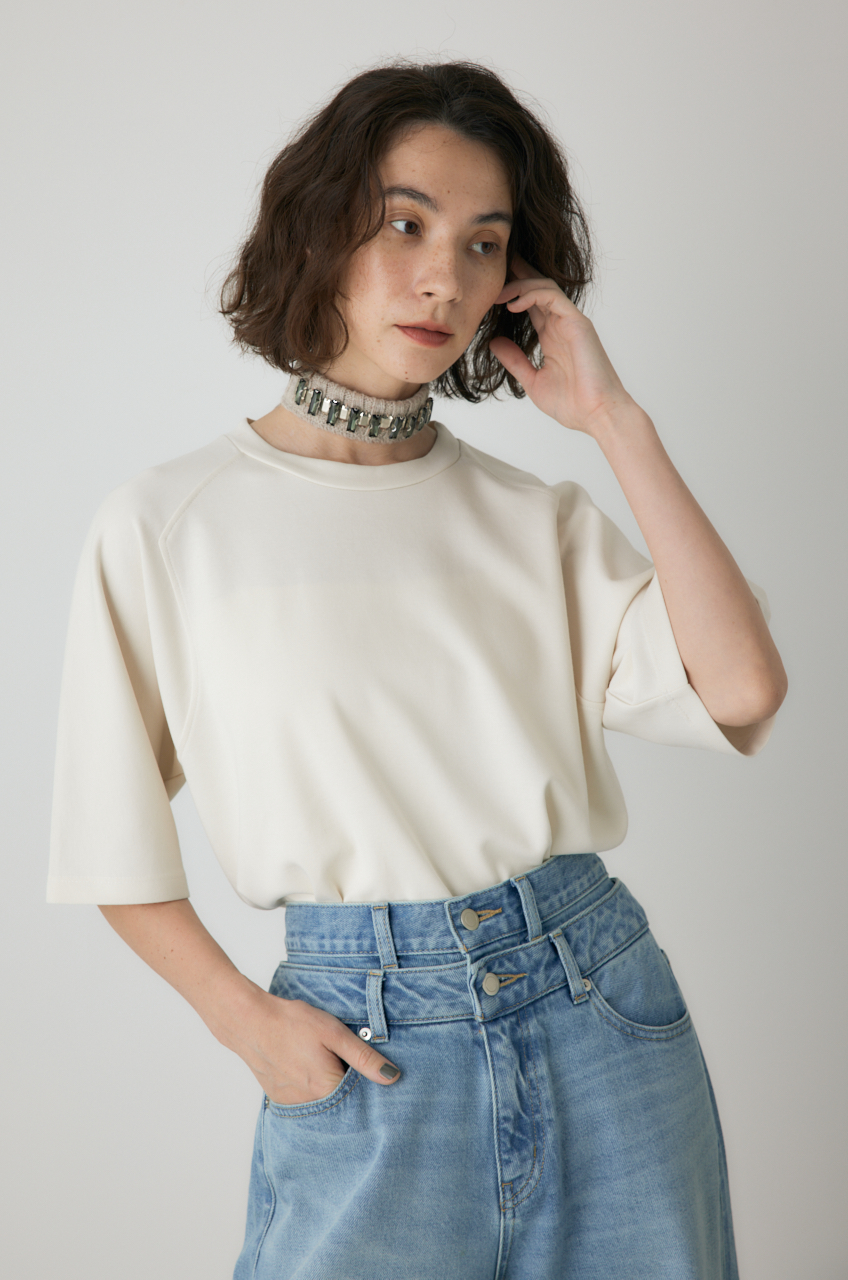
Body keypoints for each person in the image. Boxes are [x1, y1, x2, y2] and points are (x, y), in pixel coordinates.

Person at [47, 59, 787, 1280]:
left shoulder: (531, 518)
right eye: (405, 224)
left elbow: (742, 687)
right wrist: (243, 1019)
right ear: (318, 228)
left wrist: (615, 422)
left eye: (483, 244)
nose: (445, 276)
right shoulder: (170, 523)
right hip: (366, 1041)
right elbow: (106, 835)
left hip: (599, 1010)